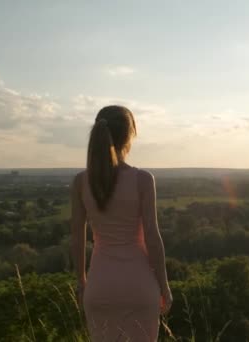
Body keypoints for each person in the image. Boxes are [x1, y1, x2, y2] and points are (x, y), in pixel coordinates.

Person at [70, 105, 172, 341]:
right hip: (139, 286)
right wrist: (164, 285)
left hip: (100, 286)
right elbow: (152, 238)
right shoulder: (143, 180)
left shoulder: (80, 182)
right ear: (129, 136)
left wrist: (81, 282)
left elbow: (76, 238)